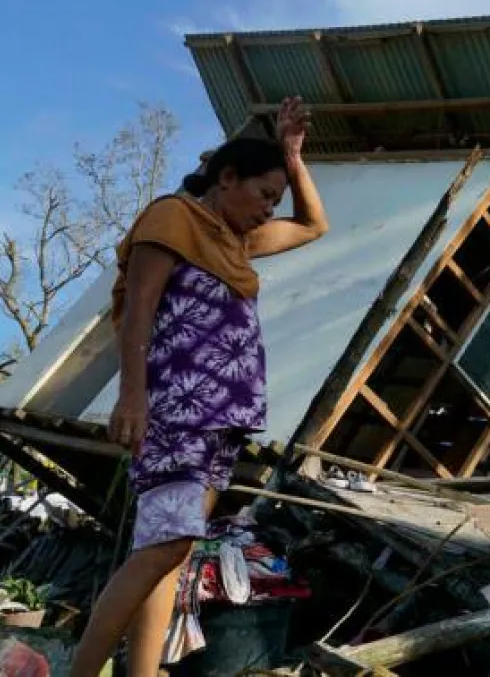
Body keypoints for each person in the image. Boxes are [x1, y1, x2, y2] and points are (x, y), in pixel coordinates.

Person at [70, 97, 328, 677]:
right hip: (177, 408)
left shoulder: (233, 242)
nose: (268, 210)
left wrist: (290, 156)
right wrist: (132, 396)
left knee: (171, 550)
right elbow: (138, 308)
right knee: (164, 547)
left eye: (274, 200)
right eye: (263, 194)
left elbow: (315, 224)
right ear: (225, 178)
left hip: (223, 416)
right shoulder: (174, 219)